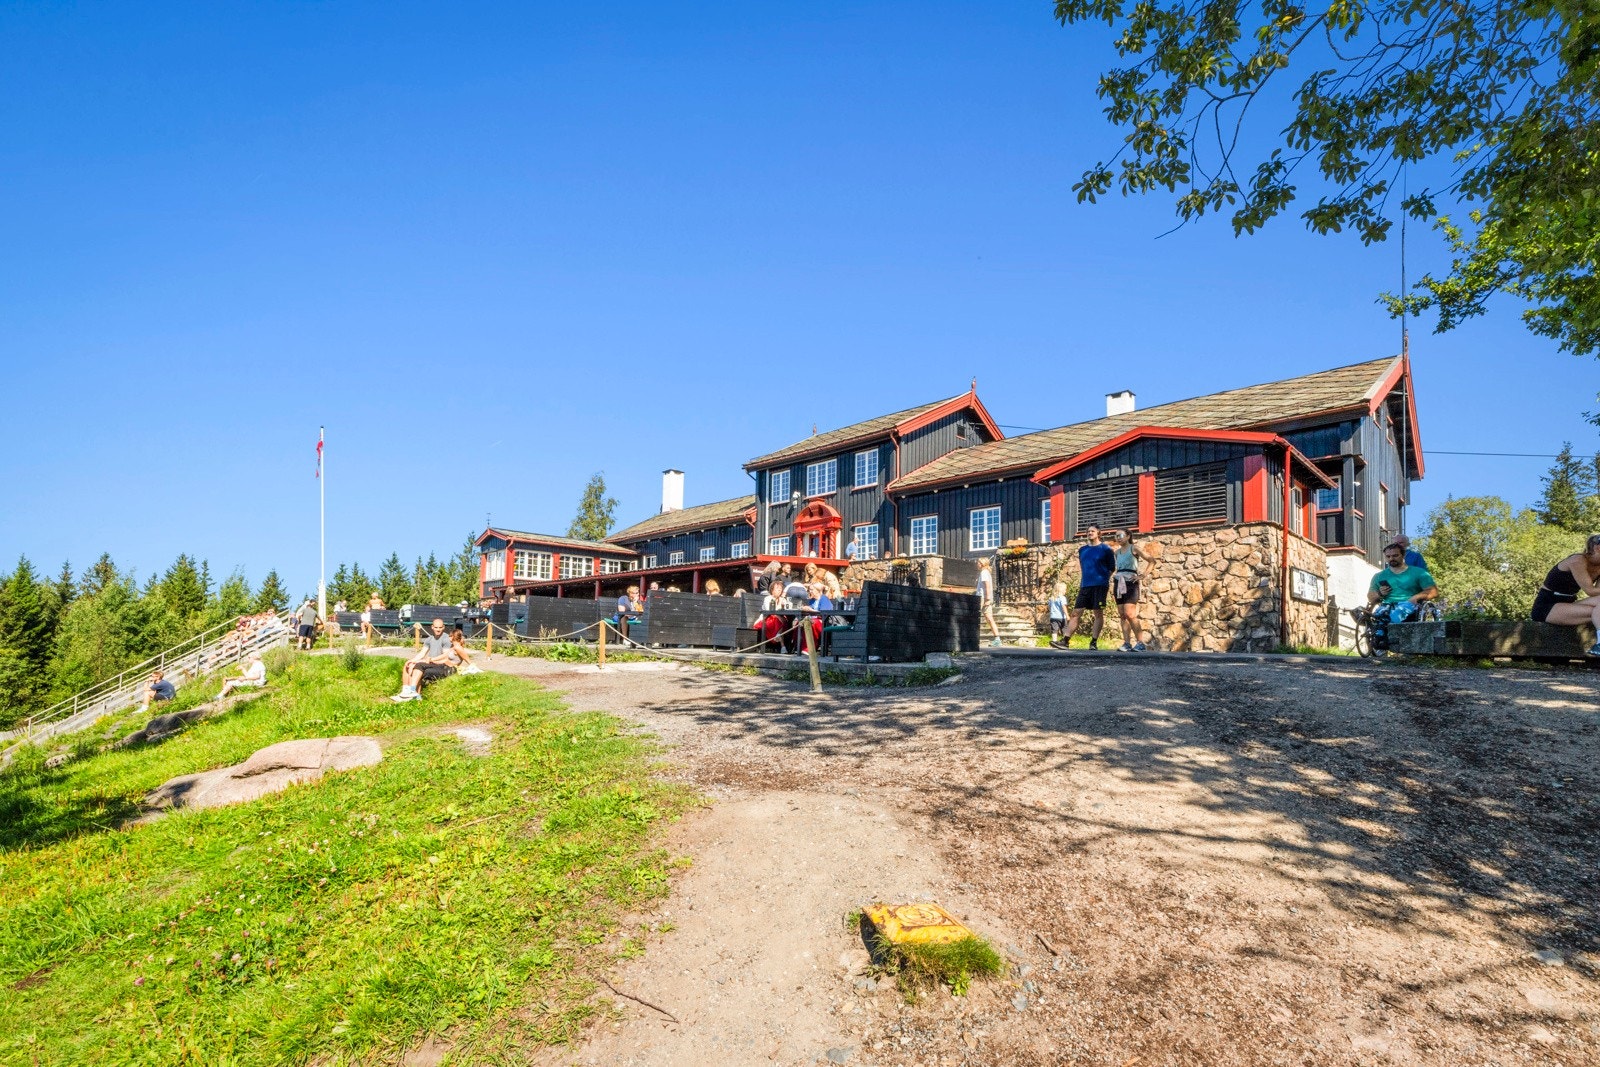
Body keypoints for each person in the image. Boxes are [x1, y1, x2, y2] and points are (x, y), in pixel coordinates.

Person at [1531, 534, 1600, 655]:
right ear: (1597, 548)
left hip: (1567, 604)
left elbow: (1597, 595)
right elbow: (1590, 590)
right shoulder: (1577, 560)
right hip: (1547, 606)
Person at [1366, 541, 1438, 649]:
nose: (1391, 559)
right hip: (1386, 604)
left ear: (1403, 555)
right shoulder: (1379, 576)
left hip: (1409, 603)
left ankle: (1385, 637)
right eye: (1388, 556)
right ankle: (1380, 638)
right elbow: (1371, 597)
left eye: (1395, 555)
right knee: (1379, 614)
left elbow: (1433, 591)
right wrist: (1380, 593)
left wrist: (1417, 597)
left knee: (1395, 614)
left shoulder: (1419, 573)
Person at [1060, 525, 1116, 650]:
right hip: (1085, 586)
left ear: (1098, 533)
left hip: (1100, 586)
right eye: (1088, 531)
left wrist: (1102, 580)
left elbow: (1111, 568)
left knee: (1098, 613)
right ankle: (1065, 641)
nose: (1090, 533)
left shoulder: (1106, 549)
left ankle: (1093, 642)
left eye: (1093, 531)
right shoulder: (1082, 550)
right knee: (1075, 613)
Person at [392, 618, 456, 702]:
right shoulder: (429, 639)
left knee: (418, 666)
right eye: (436, 627)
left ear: (443, 627)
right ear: (432, 627)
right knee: (408, 664)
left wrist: (426, 660)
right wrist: (412, 660)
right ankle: (405, 691)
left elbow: (445, 657)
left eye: (440, 627)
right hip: (430, 662)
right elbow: (422, 653)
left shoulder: (446, 639)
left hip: (440, 664)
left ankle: (413, 693)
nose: (438, 629)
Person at [1110, 531, 1148, 652]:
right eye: (1116, 536)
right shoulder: (1116, 553)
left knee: (1130, 614)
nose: (1118, 538)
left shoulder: (1134, 548)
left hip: (1130, 582)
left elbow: (1151, 561)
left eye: (1120, 535)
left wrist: (1142, 576)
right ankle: (1127, 643)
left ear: (1128, 536)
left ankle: (1140, 643)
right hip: (1119, 582)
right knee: (1122, 615)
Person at [975, 559, 1002, 648]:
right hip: (984, 597)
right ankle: (997, 639)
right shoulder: (986, 572)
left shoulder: (984, 573)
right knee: (989, 619)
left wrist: (987, 599)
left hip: (982, 598)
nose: (977, 564)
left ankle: (972, 638)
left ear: (982, 564)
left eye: (978, 562)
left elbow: (987, 586)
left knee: (976, 617)